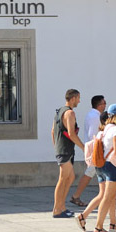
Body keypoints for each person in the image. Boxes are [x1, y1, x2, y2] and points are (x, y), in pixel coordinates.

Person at [75, 104, 116, 232]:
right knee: (108, 197)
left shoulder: (105, 129)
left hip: (103, 165)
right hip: (113, 167)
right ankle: (98, 228)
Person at [52, 88, 85, 218]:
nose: (79, 101)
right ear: (72, 98)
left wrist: (56, 147)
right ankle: (57, 209)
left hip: (63, 149)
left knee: (70, 177)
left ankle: (62, 206)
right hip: (65, 149)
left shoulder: (59, 111)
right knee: (62, 179)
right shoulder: (70, 113)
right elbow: (71, 133)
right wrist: (83, 147)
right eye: (78, 98)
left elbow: (52, 131)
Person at [69, 94, 105, 207]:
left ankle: (110, 196)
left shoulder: (93, 115)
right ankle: (76, 196)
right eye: (104, 103)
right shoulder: (95, 117)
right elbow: (93, 134)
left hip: (95, 150)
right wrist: (97, 149)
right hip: (96, 150)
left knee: (104, 174)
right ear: (99, 105)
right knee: (90, 173)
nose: (105, 105)